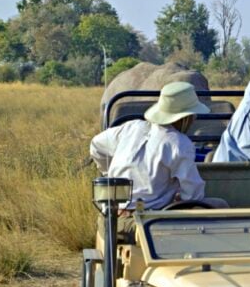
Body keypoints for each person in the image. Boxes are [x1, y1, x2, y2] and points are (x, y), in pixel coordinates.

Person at [90, 82, 226, 223]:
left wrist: (110, 176)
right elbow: (194, 194)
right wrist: (179, 197)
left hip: (114, 217)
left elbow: (96, 145)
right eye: (193, 115)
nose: (194, 119)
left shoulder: (130, 127)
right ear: (184, 117)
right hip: (150, 221)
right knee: (220, 205)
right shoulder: (178, 143)